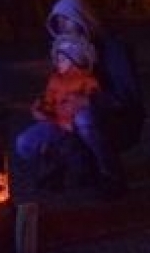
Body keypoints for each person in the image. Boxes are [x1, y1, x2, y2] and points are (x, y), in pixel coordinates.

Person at [44, 0, 145, 197]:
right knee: (49, 122)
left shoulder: (112, 49)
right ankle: (77, 169)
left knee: (84, 118)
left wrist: (89, 100)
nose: (63, 28)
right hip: (85, 112)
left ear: (81, 18)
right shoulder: (69, 50)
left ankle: (112, 177)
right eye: (59, 22)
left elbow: (126, 96)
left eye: (67, 20)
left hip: (119, 118)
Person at [15, 33, 101, 191]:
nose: (58, 62)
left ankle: (79, 175)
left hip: (73, 129)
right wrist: (41, 109)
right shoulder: (55, 80)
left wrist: (75, 110)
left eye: (62, 59)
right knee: (24, 142)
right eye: (58, 59)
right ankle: (48, 173)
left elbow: (92, 106)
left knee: (71, 151)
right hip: (54, 123)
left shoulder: (87, 81)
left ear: (74, 59)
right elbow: (49, 103)